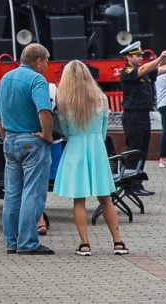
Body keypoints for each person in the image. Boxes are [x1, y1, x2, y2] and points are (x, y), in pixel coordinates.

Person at [53, 61, 128, 255]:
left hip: (75, 149)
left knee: (79, 200)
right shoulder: (101, 98)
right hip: (97, 150)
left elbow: (66, 131)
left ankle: (84, 244)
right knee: (106, 198)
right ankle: (118, 242)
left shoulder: (64, 102)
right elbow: (104, 132)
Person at [0, 42, 55, 255]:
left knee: (11, 193)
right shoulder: (37, 80)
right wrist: (47, 135)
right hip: (32, 142)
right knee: (32, 193)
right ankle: (28, 242)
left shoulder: (5, 78)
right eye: (46, 62)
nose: (46, 66)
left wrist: (5, 138)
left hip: (10, 140)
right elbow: (44, 110)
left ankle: (11, 242)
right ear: (38, 61)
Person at [118, 42, 166, 193]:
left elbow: (162, 70)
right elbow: (145, 69)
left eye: (141, 55)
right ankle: (130, 184)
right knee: (134, 150)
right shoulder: (127, 71)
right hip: (133, 116)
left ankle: (137, 183)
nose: (141, 58)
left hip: (143, 115)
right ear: (128, 57)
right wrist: (159, 58)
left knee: (142, 150)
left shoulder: (144, 71)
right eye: (137, 55)